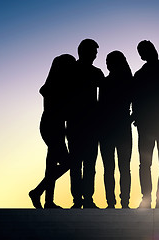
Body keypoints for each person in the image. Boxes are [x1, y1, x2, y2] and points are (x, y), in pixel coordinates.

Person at [29, 54, 76, 209]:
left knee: (51, 163)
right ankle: (38, 192)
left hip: (55, 126)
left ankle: (48, 200)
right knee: (66, 162)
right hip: (52, 126)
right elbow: (59, 109)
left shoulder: (58, 85)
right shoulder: (54, 86)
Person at [132, 40, 159, 208]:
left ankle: (155, 199)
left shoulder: (142, 74)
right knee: (153, 164)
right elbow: (136, 99)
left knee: (153, 164)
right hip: (156, 125)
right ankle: (152, 199)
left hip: (156, 125)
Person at [68, 39, 105, 208]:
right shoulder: (71, 70)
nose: (96, 55)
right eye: (93, 52)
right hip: (77, 122)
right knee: (77, 164)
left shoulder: (96, 72)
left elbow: (104, 96)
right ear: (84, 51)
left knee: (88, 164)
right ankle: (78, 199)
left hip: (89, 123)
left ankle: (86, 199)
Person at [98, 51, 133, 209]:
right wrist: (131, 118)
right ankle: (121, 202)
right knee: (122, 167)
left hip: (108, 128)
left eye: (108, 61)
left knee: (111, 168)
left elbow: (100, 106)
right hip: (119, 128)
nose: (106, 64)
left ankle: (113, 202)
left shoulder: (106, 83)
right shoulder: (127, 81)